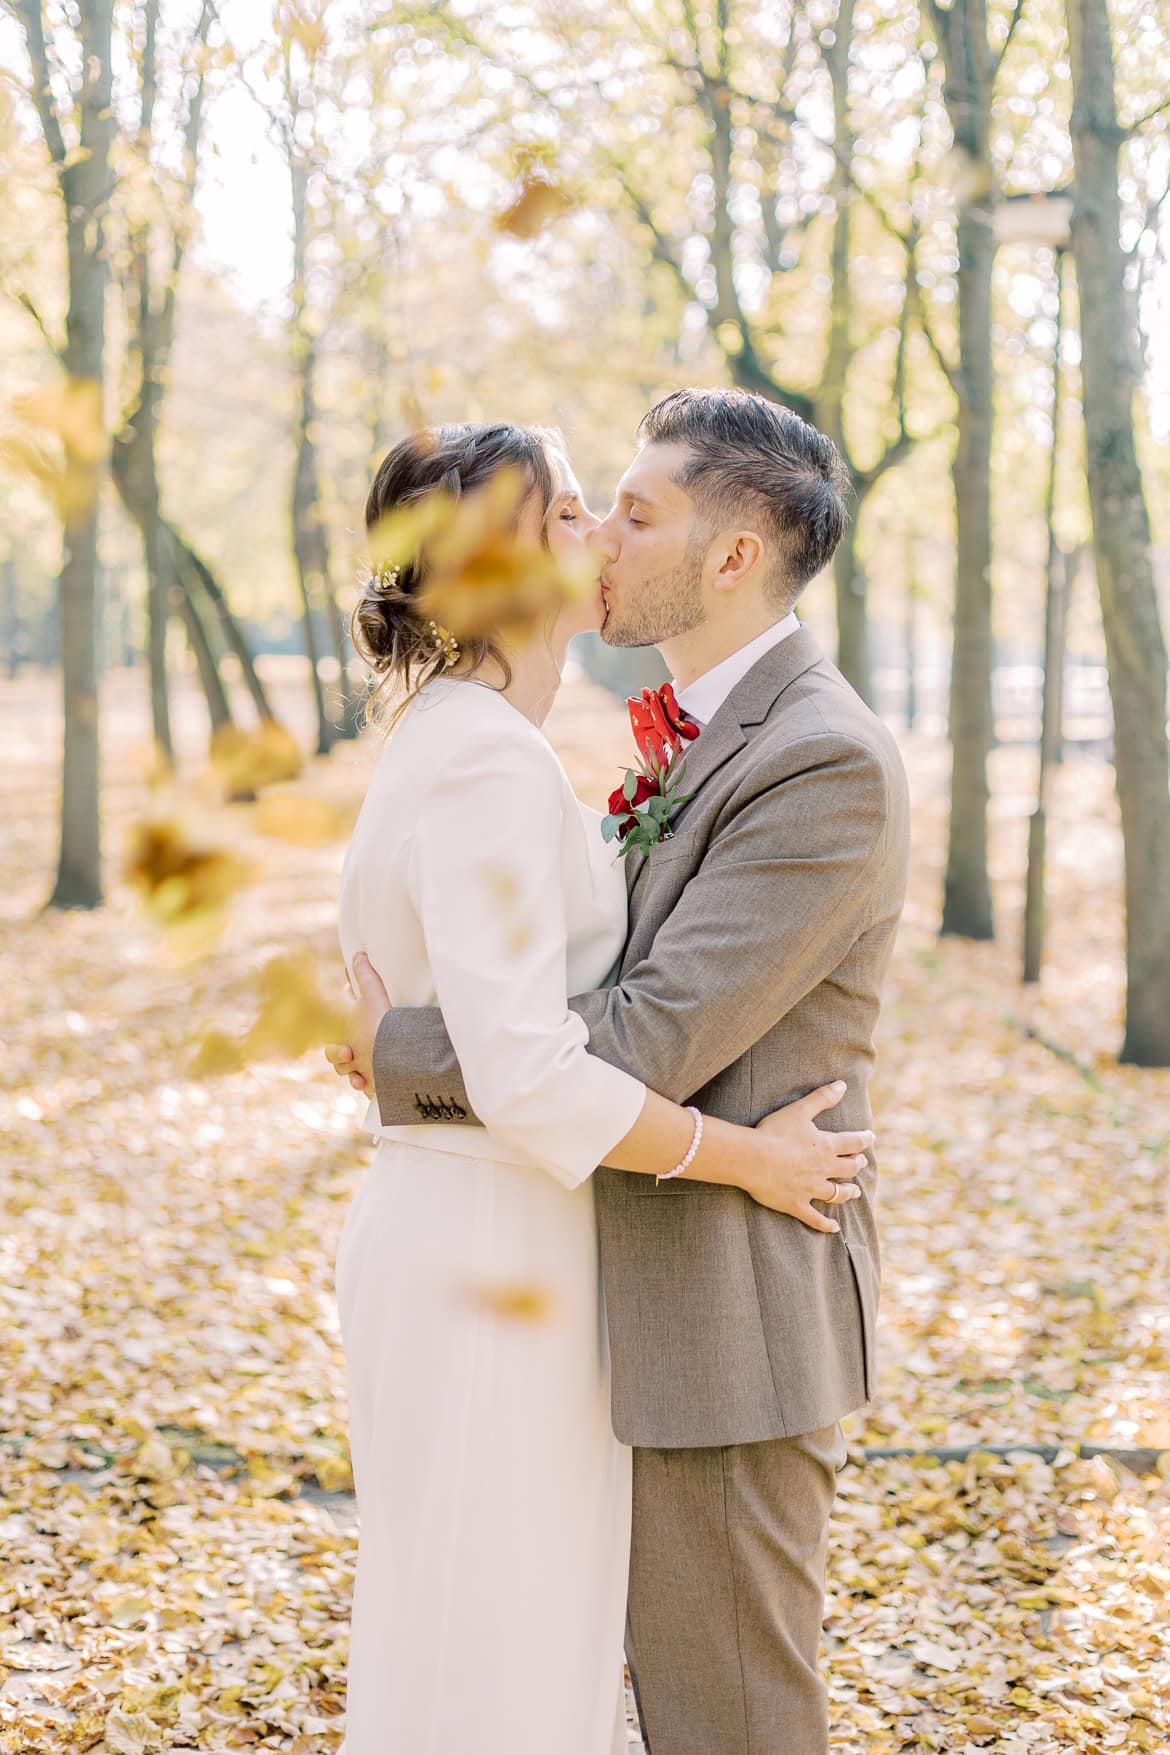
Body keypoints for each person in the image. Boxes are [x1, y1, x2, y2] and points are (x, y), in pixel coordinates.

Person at [331, 417, 876, 1755]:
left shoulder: (491, 745)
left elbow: (577, 1033)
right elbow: (538, 1057)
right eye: (574, 511)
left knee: (488, 1637)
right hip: (499, 1252)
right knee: (498, 1655)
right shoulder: (482, 754)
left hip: (543, 1251)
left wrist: (402, 1052)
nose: (599, 536)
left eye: (619, 509)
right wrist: (743, 1155)